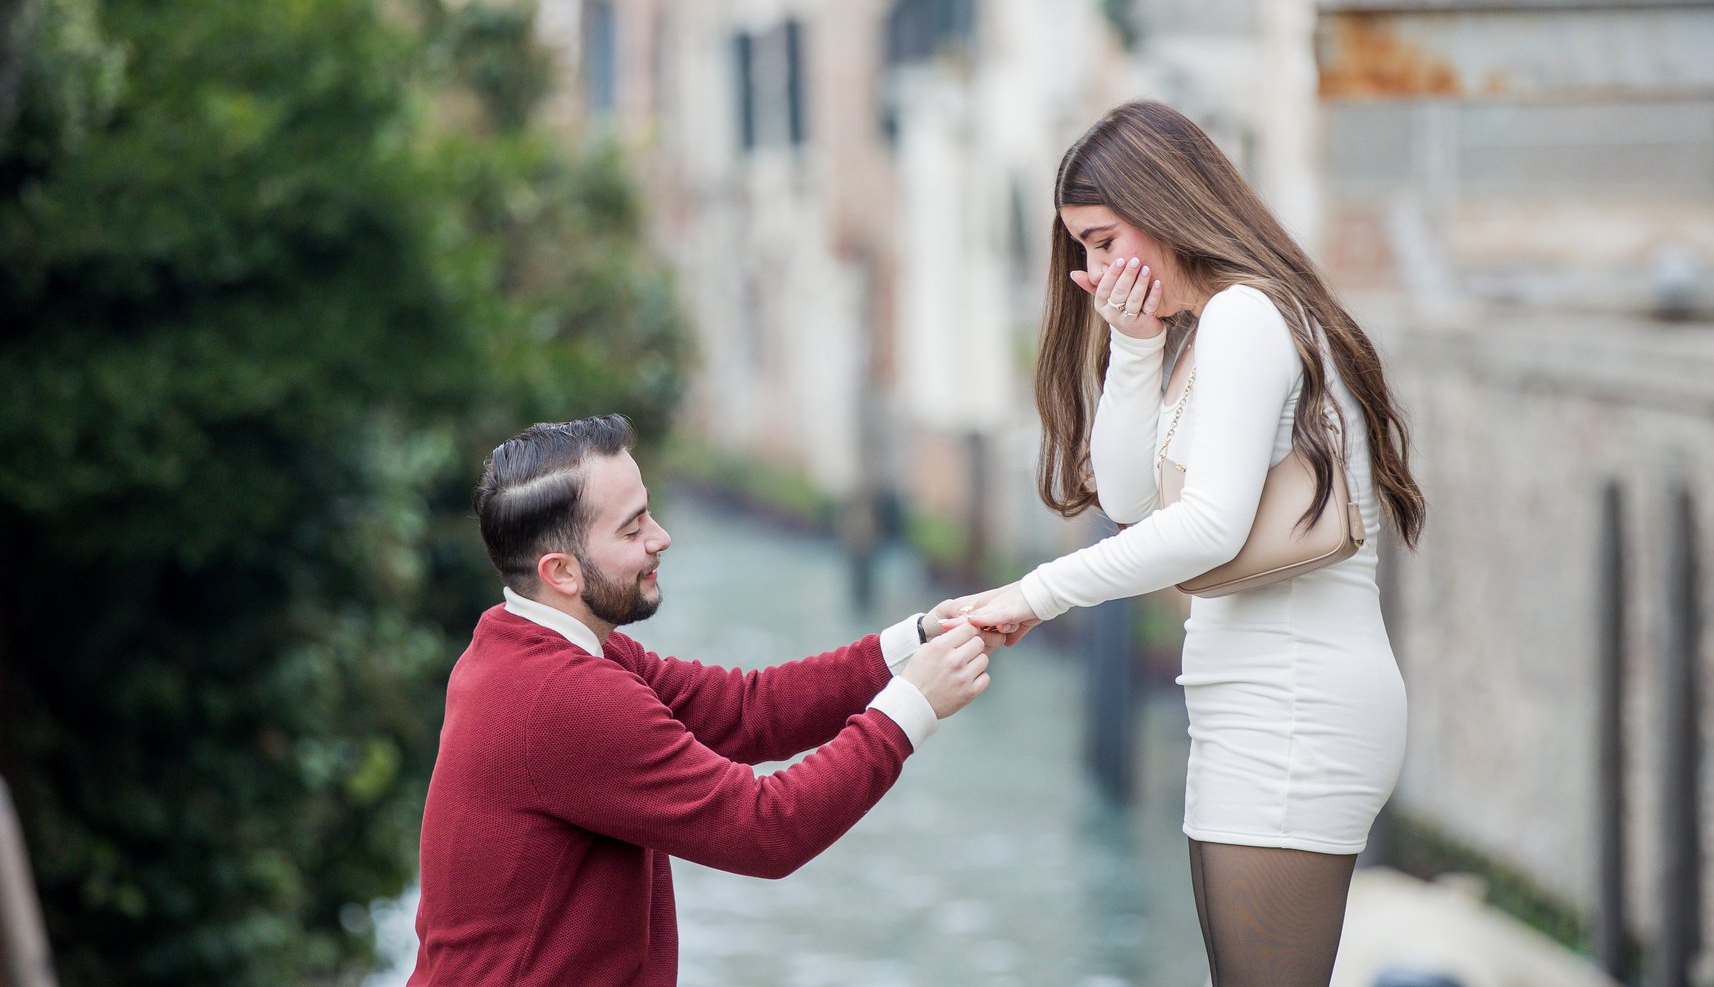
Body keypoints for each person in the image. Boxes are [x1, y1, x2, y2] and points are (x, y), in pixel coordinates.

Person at [958, 100, 1425, 987]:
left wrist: (1036, 592)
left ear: (1164, 205)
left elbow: (1207, 526)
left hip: (1294, 704)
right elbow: (1134, 502)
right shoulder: (1203, 331)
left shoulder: (1249, 316)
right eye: (1081, 253)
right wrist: (1133, 352)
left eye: (1102, 242)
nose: (1091, 274)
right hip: (1246, 702)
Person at [407, 414, 994, 987]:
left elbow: (748, 709)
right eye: (633, 530)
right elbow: (765, 830)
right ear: (561, 572)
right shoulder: (565, 696)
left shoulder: (532, 645)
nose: (661, 538)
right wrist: (913, 705)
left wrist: (917, 639)